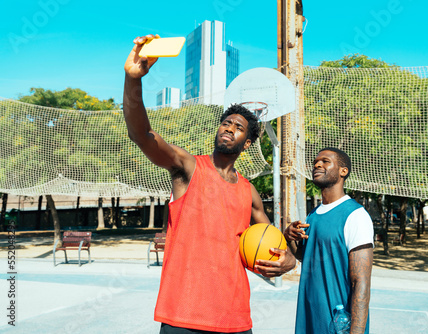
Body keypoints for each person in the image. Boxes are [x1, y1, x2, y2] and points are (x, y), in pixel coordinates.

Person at [123, 34, 296, 334]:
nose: (229, 128)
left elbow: (272, 246)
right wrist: (133, 81)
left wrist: (290, 260)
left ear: (248, 144)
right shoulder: (187, 168)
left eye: (238, 127)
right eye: (226, 123)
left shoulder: (249, 193)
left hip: (235, 318)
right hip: (183, 316)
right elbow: (142, 135)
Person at [285, 147, 373, 334]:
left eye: (325, 161)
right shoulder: (312, 215)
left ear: (343, 171)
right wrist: (289, 237)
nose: (317, 164)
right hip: (310, 317)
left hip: (337, 324)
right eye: (316, 161)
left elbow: (361, 282)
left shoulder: (355, 215)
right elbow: (306, 257)